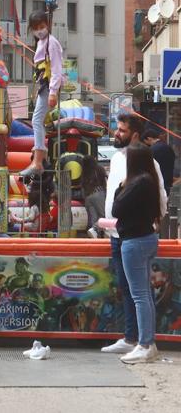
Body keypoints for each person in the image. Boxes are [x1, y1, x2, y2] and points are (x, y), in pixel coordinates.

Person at [101, 112, 167, 357]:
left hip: (136, 234)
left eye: (122, 130)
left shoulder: (147, 165)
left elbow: (160, 196)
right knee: (127, 288)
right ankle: (131, 338)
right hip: (118, 234)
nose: (116, 133)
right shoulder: (118, 158)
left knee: (139, 291)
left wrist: (154, 221)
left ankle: (145, 341)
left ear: (135, 135)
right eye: (117, 129)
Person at [112, 142, 161, 363]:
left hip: (134, 241)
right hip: (146, 238)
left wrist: (120, 186)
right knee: (145, 295)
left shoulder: (138, 183)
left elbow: (117, 209)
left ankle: (144, 344)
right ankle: (148, 342)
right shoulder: (149, 181)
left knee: (140, 295)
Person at [21, 11, 64, 177]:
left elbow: (56, 69)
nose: (40, 30)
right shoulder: (41, 42)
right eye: (36, 28)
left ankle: (38, 161)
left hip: (48, 87)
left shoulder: (51, 43)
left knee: (36, 120)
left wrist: (53, 92)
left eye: (42, 27)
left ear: (48, 25)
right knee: (37, 120)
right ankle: (40, 157)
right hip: (43, 86)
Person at [142, 127, 176, 195]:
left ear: (149, 138)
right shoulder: (169, 148)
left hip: (156, 183)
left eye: (145, 142)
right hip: (168, 182)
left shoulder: (151, 150)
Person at [81, 155, 107, 233]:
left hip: (88, 196)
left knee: (93, 218)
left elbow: (82, 185)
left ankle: (94, 233)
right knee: (103, 215)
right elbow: (103, 181)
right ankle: (98, 231)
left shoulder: (84, 171)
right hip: (98, 193)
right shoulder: (99, 169)